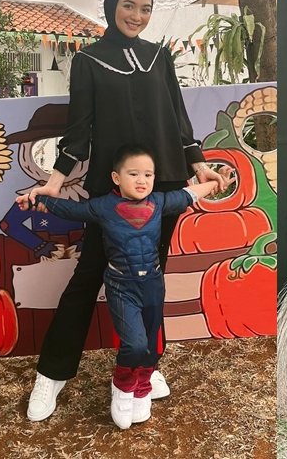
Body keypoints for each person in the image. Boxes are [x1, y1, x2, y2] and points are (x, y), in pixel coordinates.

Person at [23, 0, 230, 421]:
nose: (137, 15)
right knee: (86, 280)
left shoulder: (160, 57)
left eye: (145, 8)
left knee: (151, 280)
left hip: (166, 184)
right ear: (111, 6)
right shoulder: (89, 62)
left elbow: (178, 117)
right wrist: (55, 182)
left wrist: (197, 164)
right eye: (128, 5)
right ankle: (52, 374)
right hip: (111, 192)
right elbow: (79, 132)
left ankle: (146, 366)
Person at [19, 145, 226, 428]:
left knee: (150, 345)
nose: (142, 180)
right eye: (134, 174)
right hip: (121, 285)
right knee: (135, 343)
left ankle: (141, 390)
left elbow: (188, 194)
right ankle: (123, 386)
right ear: (116, 178)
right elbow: (72, 209)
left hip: (152, 284)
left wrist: (213, 183)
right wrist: (37, 199)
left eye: (148, 175)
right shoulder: (104, 207)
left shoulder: (160, 202)